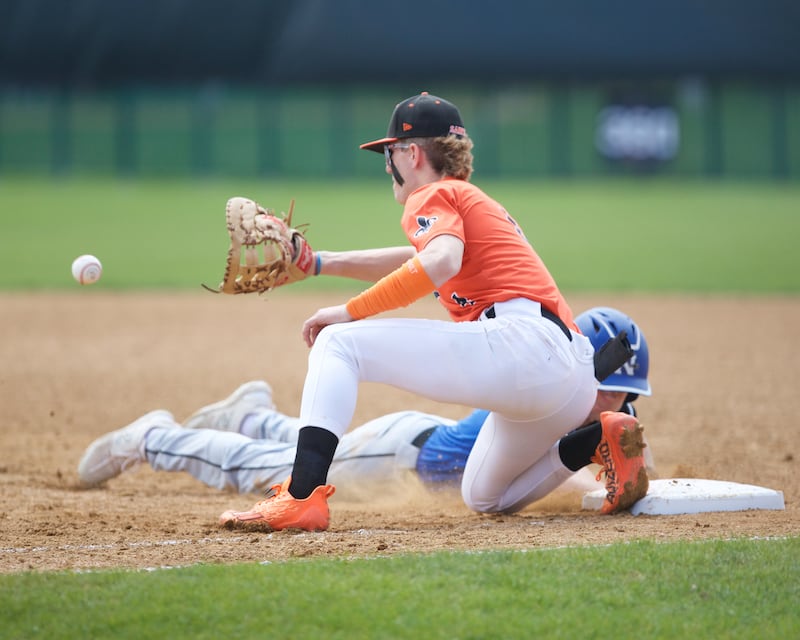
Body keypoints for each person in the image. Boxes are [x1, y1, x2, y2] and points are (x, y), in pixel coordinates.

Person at [83, 92, 649, 531]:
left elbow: (440, 262)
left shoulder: (435, 195)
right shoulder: (474, 203)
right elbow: (419, 258)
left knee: (338, 343)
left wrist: (349, 312)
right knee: (485, 498)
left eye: (391, 153)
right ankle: (595, 437)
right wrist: (320, 261)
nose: (388, 166)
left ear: (413, 152)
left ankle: (301, 497)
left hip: (520, 348)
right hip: (568, 376)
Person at [77, 307, 654, 504]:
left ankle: (251, 414)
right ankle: (155, 437)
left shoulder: (547, 395)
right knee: (255, 472)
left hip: (407, 439)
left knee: (296, 442)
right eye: (623, 396)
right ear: (599, 376)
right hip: (394, 460)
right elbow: (543, 464)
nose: (625, 409)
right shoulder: (539, 401)